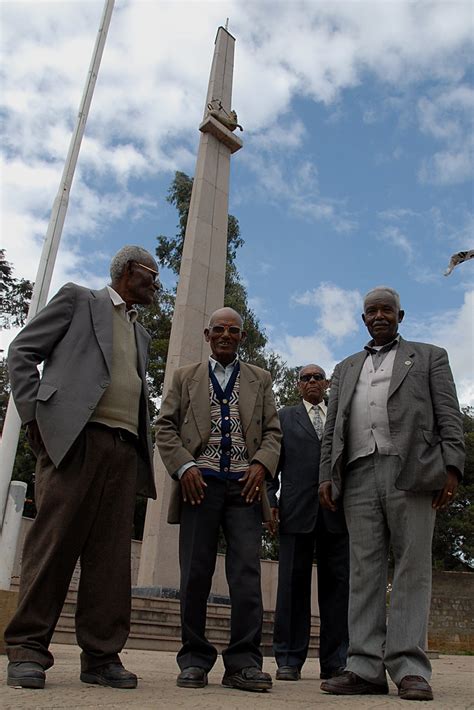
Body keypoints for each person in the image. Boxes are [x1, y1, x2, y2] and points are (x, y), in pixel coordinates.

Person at [5, 246, 159, 690]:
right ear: (129, 270)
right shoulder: (78, 299)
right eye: (152, 274)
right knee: (53, 546)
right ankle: (27, 650)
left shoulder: (142, 333)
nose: (156, 284)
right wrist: (35, 416)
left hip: (124, 448)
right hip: (75, 440)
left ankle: (101, 656)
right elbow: (22, 351)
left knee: (110, 560)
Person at [319, 286, 465, 702]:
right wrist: (324, 476)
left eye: (386, 309)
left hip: (415, 471)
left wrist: (451, 466)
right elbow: (333, 427)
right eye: (371, 311)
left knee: (412, 567)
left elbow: (448, 414)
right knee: (363, 570)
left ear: (401, 315)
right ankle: (364, 666)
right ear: (363, 319)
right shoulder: (346, 367)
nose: (378, 315)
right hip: (358, 473)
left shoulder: (431, 356)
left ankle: (409, 667)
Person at [155, 307, 281, 692]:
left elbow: (274, 431)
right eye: (219, 330)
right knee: (194, 573)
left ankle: (243, 662)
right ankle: (194, 658)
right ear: (207, 334)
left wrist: (262, 464)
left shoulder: (260, 379)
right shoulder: (184, 378)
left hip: (244, 487)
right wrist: (184, 467)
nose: (226, 336)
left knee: (246, 575)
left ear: (242, 337)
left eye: (234, 331)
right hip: (199, 486)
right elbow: (165, 426)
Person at [267, 364, 349, 682]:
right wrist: (270, 503)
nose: (312, 382)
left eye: (317, 377)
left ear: (326, 383)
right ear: (298, 384)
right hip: (295, 512)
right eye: (306, 378)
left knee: (337, 589)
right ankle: (288, 658)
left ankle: (335, 660)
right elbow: (273, 463)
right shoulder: (284, 417)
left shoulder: (339, 417)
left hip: (336, 513)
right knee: (291, 587)